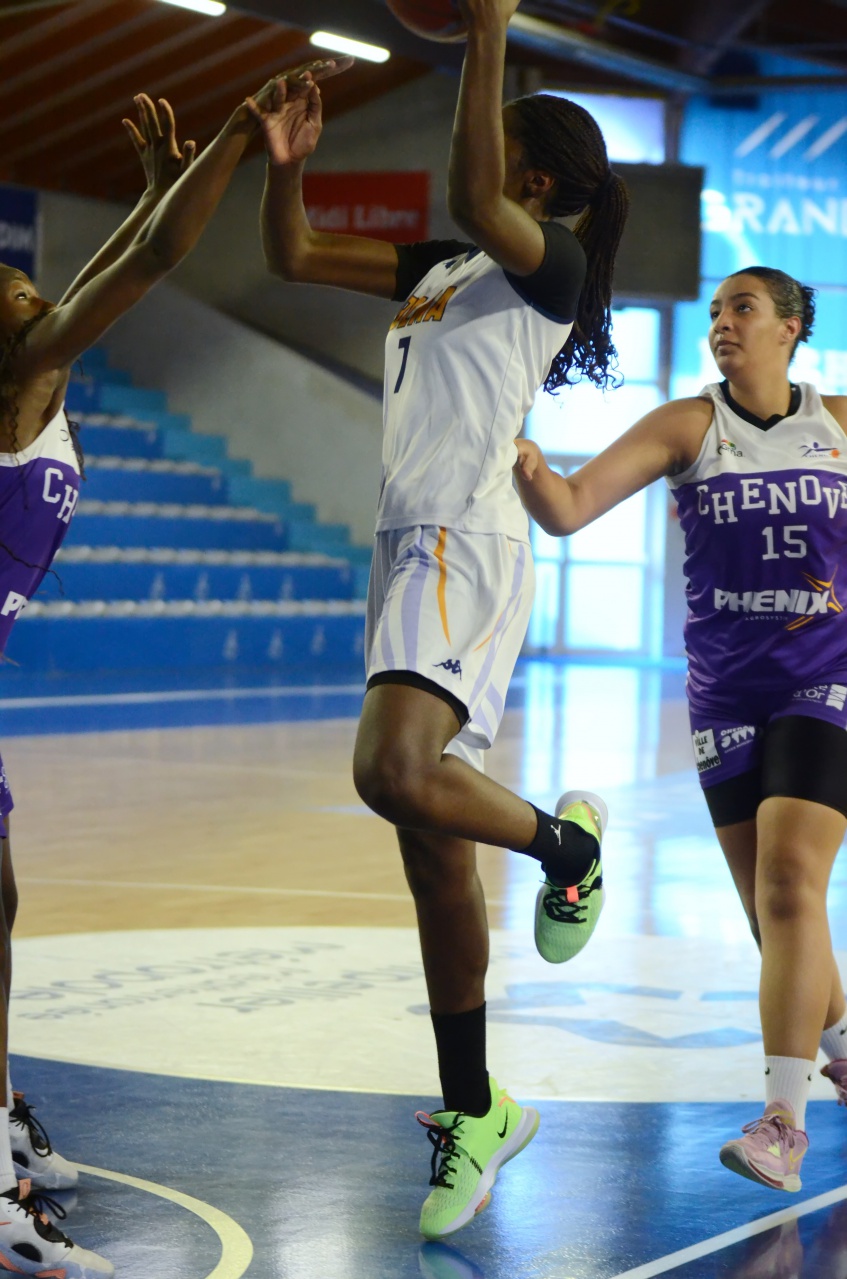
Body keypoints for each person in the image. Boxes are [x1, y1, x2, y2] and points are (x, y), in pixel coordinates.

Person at [250, 0, 629, 1239]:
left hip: (466, 541)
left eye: (495, 142)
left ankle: (567, 850)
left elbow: (473, 191)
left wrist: (487, 29)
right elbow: (292, 255)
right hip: (403, 544)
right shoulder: (439, 268)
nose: (470, 157)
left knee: (390, 771)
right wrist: (286, 168)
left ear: (535, 181)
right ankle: (476, 1108)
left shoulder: (545, 267)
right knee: (429, 851)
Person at [0, 63, 346, 1277]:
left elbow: (123, 255)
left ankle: (1, 1124)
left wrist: (161, 183)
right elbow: (144, 264)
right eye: (13, 287)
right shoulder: (25, 373)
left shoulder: (33, 365)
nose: (29, 285)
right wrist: (237, 141)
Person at [513, 265, 847, 1194]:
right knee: (774, 914)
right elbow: (567, 509)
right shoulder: (686, 426)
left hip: (826, 678)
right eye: (714, 311)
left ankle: (782, 1124)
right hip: (724, 695)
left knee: (789, 880)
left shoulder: (838, 425)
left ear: (789, 327)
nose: (721, 323)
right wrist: (528, 466)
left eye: (742, 308)